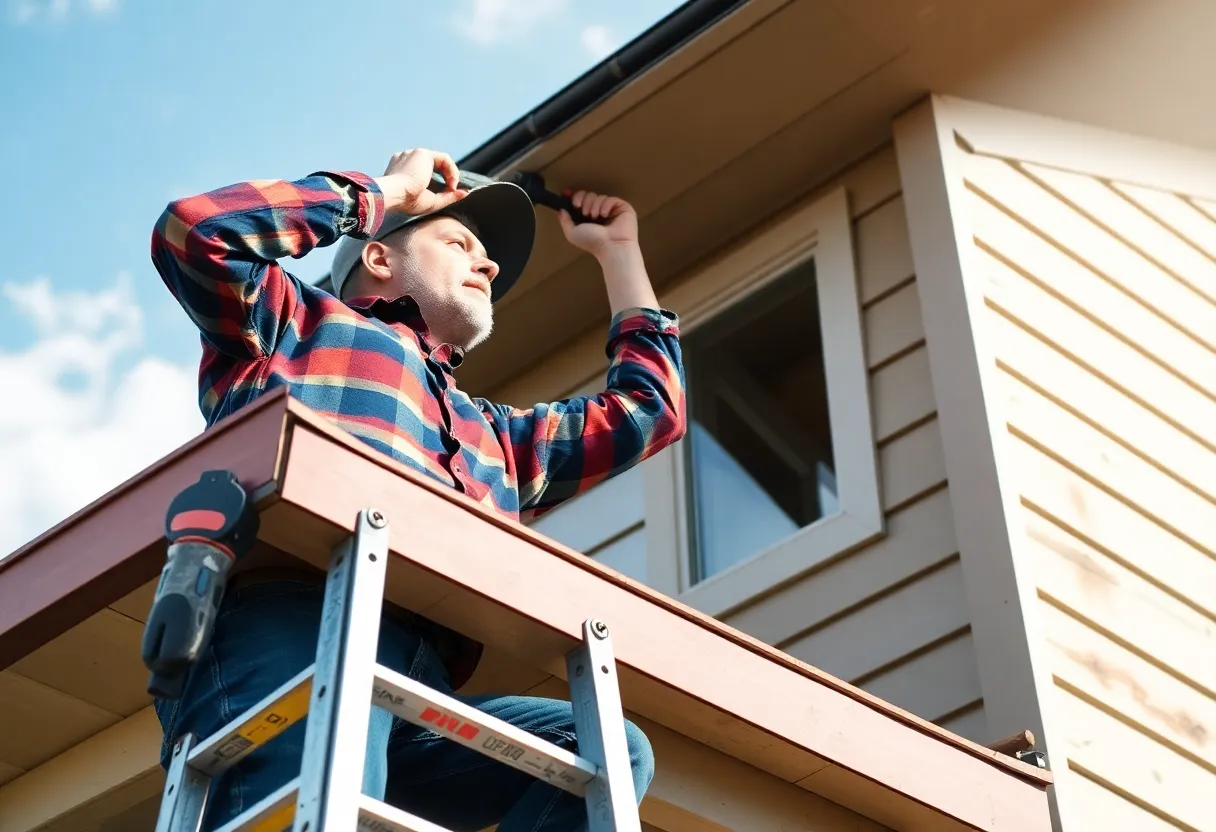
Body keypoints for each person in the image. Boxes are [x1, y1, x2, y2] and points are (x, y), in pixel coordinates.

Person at [149, 147, 687, 831]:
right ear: (378, 258)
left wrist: (620, 256)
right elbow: (196, 233)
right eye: (460, 241)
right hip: (288, 628)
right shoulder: (294, 326)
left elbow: (651, 412)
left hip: (416, 694)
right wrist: (386, 193)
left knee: (601, 753)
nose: (487, 264)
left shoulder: (496, 438)